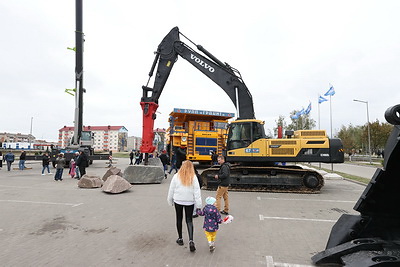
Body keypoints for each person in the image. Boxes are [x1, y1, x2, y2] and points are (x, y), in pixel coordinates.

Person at [167, 160, 202, 252]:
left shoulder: (176, 176)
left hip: (178, 200)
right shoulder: (193, 177)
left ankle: (180, 239)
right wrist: (198, 205)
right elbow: (197, 192)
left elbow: (171, 189)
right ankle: (191, 240)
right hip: (189, 201)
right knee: (189, 220)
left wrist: (170, 200)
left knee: (179, 219)